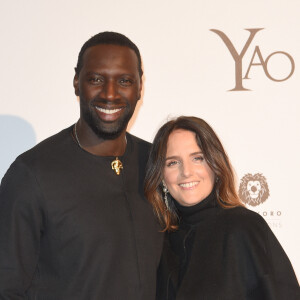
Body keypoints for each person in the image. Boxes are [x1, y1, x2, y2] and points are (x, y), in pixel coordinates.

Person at [0, 32, 163, 299]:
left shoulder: (156, 163)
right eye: (96, 79)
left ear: (139, 88)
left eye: (124, 81)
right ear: (77, 83)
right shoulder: (33, 174)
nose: (110, 94)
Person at [145, 116, 299, 300]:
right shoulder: (157, 242)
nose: (186, 172)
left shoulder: (244, 228)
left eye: (198, 158)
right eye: (172, 162)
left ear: (215, 165)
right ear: (161, 175)